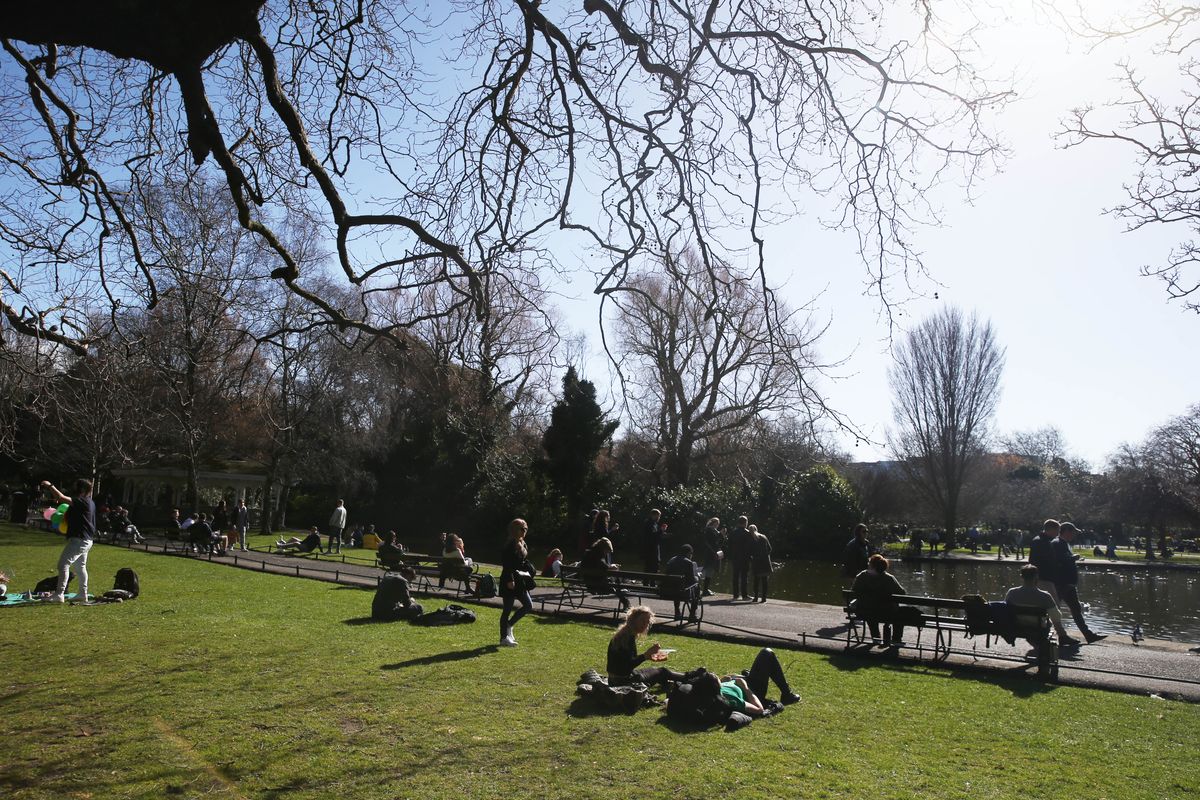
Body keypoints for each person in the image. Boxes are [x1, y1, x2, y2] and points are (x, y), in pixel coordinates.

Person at [692, 649, 801, 716]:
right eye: (716, 677)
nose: (717, 676)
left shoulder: (713, 691)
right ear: (715, 686)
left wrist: (724, 680)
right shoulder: (730, 699)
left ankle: (748, 675)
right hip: (753, 689)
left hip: (743, 681)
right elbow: (759, 709)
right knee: (767, 653)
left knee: (756, 667)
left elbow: (715, 684)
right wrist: (745, 687)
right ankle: (786, 694)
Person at [41, 478, 96, 604]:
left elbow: (61, 497)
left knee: (63, 565)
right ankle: (82, 594)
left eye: (76, 486)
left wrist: (49, 486)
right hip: (86, 540)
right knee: (80, 567)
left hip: (79, 540)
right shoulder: (89, 502)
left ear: (82, 489)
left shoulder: (82, 501)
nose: (73, 488)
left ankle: (59, 594)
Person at [1052, 522, 1107, 644]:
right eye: (1073, 532)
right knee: (1054, 609)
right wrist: (1074, 557)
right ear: (1066, 531)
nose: (1074, 535)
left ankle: (1088, 635)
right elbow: (1060, 561)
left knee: (1076, 609)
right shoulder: (1057, 543)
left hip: (1068, 584)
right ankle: (1053, 634)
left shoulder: (1063, 544)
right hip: (1062, 583)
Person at [606, 606, 687, 687]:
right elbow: (627, 666)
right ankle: (688, 678)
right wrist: (646, 655)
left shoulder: (624, 633)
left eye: (647, 622)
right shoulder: (626, 638)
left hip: (614, 679)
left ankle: (669, 682)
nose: (645, 624)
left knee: (653, 669)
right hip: (622, 682)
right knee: (663, 671)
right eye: (642, 621)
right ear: (633, 620)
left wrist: (648, 656)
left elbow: (625, 661)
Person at [851, 554, 914, 646]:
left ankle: (876, 637)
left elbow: (853, 592)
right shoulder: (889, 578)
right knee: (900, 614)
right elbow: (902, 593)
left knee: (870, 609)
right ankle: (896, 639)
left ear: (871, 565)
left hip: (864, 611)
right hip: (886, 612)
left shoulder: (862, 576)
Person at [1005, 564, 1069, 648]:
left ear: (1021, 577)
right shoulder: (1045, 596)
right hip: (1037, 627)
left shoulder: (1012, 593)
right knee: (1052, 619)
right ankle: (1063, 636)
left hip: (1017, 625)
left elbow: (1005, 609)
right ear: (1036, 577)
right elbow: (1056, 617)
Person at [499, 518, 535, 646]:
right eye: (522, 529)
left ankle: (509, 625)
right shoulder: (510, 544)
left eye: (526, 529)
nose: (524, 531)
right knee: (507, 609)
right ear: (515, 530)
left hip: (520, 579)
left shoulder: (523, 543)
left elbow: (522, 562)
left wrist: (529, 570)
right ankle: (503, 638)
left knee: (528, 605)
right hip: (509, 579)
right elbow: (506, 563)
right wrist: (510, 579)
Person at [580, 537, 630, 610]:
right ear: (603, 548)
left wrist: (609, 566)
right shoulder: (598, 556)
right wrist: (612, 567)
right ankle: (625, 601)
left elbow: (601, 566)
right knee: (616, 581)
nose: (606, 553)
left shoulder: (588, 554)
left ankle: (624, 600)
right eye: (606, 551)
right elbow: (603, 567)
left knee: (614, 580)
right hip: (598, 585)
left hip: (588, 583)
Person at [664, 543, 701, 621]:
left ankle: (677, 612)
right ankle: (692, 615)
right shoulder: (688, 562)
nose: (691, 555)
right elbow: (692, 581)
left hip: (667, 591)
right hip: (682, 593)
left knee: (676, 586)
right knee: (697, 587)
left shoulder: (671, 560)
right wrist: (697, 578)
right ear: (688, 553)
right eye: (691, 553)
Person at [727, 516, 753, 600]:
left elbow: (729, 545)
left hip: (735, 557)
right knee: (744, 577)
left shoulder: (733, 532)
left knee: (735, 576)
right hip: (745, 558)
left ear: (738, 522)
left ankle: (735, 594)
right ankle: (744, 595)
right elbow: (750, 546)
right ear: (745, 523)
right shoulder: (747, 533)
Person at [698, 517, 724, 597]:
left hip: (713, 553)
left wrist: (722, 535)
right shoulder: (709, 530)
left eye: (718, 523)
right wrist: (720, 534)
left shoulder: (714, 531)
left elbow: (719, 542)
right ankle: (705, 590)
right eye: (717, 523)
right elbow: (712, 541)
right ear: (713, 523)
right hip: (711, 553)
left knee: (710, 571)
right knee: (708, 570)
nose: (717, 525)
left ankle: (705, 589)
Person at [749, 525, 773, 603]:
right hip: (765, 561)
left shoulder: (751, 539)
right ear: (756, 529)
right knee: (764, 581)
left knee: (756, 580)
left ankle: (755, 598)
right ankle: (764, 598)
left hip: (756, 561)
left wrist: (753, 557)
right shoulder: (763, 537)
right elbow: (770, 549)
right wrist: (765, 555)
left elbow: (750, 551)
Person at [641, 508, 668, 576]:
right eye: (658, 516)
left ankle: (650, 581)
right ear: (654, 515)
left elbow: (656, 535)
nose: (659, 518)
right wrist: (661, 530)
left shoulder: (654, 524)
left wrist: (662, 533)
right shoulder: (649, 523)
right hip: (650, 550)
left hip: (654, 549)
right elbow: (651, 536)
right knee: (650, 568)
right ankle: (649, 582)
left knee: (654, 567)